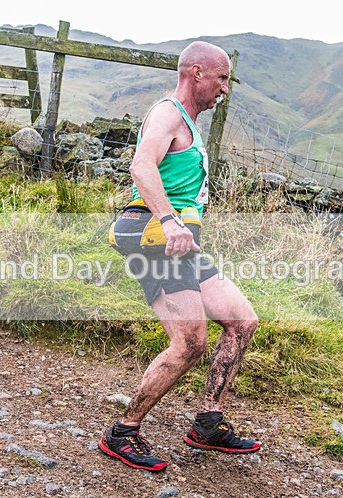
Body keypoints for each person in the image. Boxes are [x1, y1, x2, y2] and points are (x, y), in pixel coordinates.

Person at [99, 41, 260, 472]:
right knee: (189, 343)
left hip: (179, 243)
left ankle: (207, 422)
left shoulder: (189, 120)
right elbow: (141, 166)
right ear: (197, 73)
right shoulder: (168, 112)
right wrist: (170, 221)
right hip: (153, 237)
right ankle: (123, 431)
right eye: (222, 78)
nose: (225, 89)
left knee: (242, 321)